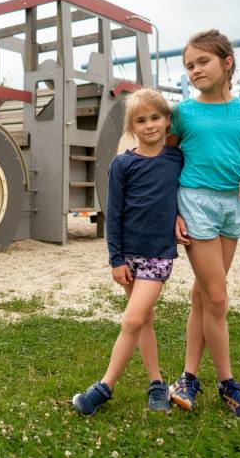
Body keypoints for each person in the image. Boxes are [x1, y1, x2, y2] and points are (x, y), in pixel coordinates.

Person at [167, 29, 240, 420]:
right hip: (196, 204)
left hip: (233, 207)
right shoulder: (183, 113)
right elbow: (167, 164)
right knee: (218, 298)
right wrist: (173, 212)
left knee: (203, 297)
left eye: (202, 62)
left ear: (227, 62)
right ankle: (228, 386)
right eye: (189, 66)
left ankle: (188, 379)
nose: (194, 71)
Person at [72, 88, 183, 416]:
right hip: (128, 257)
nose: (149, 125)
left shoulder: (176, 159)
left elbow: (184, 191)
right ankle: (157, 384)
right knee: (143, 321)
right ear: (132, 127)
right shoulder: (123, 164)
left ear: (166, 121)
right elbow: (114, 212)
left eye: (155, 117)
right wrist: (116, 259)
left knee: (132, 319)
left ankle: (103, 388)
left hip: (159, 255)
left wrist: (180, 215)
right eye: (141, 120)